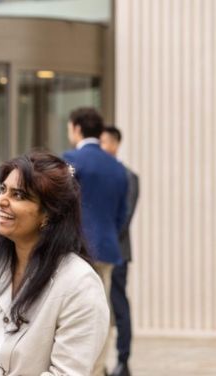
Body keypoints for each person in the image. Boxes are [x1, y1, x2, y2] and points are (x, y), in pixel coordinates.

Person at [0, 151, 109, 376]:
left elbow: (66, 373)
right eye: (3, 190)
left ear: (48, 214)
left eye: (19, 195)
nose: (1, 201)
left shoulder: (80, 283)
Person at [63, 108, 128, 376]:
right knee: (101, 315)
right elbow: (122, 215)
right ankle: (98, 368)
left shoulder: (71, 160)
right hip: (108, 249)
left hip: (76, 250)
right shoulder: (118, 167)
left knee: (71, 313)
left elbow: (60, 203)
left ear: (76, 128)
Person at [101, 125, 140, 376]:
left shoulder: (128, 176)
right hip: (100, 251)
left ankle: (123, 360)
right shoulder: (100, 175)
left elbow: (124, 216)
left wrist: (106, 242)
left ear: (115, 144)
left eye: (103, 142)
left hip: (116, 252)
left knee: (118, 306)